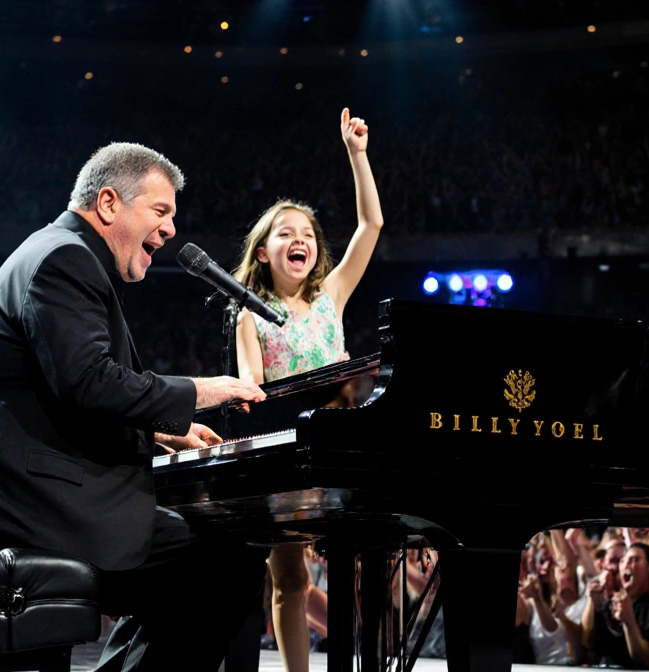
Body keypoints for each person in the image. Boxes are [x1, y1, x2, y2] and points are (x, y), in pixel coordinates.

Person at [0, 142, 270, 672]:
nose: (172, 229)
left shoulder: (55, 251)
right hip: (30, 511)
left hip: (17, 497)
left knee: (194, 555)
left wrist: (162, 435)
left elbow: (60, 393)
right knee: (229, 560)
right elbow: (89, 381)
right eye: (161, 212)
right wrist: (205, 389)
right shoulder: (66, 259)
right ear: (109, 204)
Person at [232, 108, 384, 672]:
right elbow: (250, 382)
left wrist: (357, 156)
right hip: (285, 449)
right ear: (264, 251)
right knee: (290, 575)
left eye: (308, 236)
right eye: (285, 234)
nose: (300, 241)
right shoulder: (250, 309)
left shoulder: (332, 298)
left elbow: (370, 227)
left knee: (356, 562)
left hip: (339, 446)